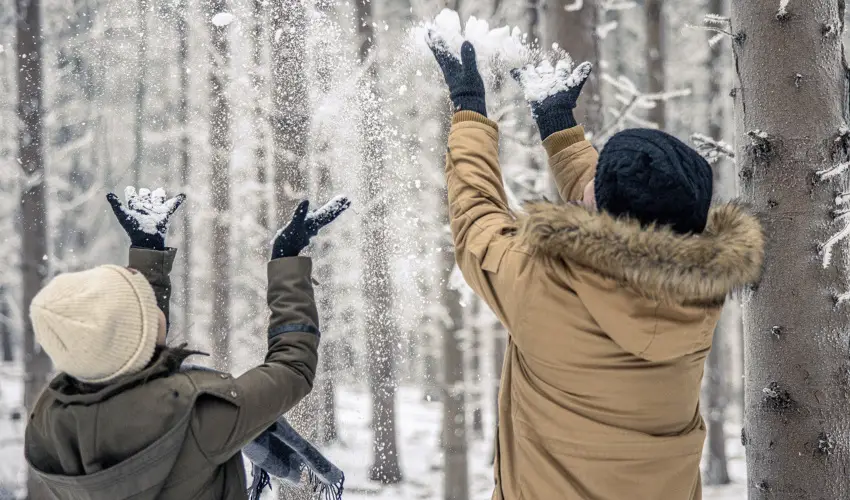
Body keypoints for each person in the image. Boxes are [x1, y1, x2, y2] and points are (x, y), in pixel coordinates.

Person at [427, 37, 765, 500]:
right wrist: (560, 133)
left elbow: (477, 221)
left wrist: (470, 113)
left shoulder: (539, 281)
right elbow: (627, 224)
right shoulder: (699, 302)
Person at [23, 187, 349, 500]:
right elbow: (292, 368)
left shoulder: (50, 426)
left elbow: (119, 354)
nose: (155, 312)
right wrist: (286, 262)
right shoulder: (199, 419)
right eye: (146, 310)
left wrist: (148, 252)